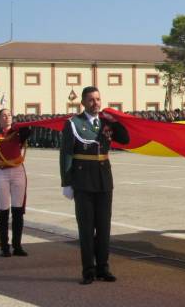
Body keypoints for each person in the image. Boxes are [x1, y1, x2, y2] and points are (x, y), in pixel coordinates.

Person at [60, 86, 129, 285]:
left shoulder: (106, 122)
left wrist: (116, 123)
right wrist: (67, 182)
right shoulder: (74, 123)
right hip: (83, 181)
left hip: (104, 180)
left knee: (104, 226)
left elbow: (125, 139)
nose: (96, 103)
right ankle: (88, 270)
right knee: (86, 228)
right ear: (83, 103)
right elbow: (66, 153)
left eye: (98, 99)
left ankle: (103, 268)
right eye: (91, 100)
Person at [0, 109, 32, 257]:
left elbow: (28, 131)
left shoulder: (18, 133)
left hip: (17, 172)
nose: (7, 117)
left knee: (18, 211)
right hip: (1, 173)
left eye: (10, 115)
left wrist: (20, 125)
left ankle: (17, 246)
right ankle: (4, 246)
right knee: (3, 211)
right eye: (4, 115)